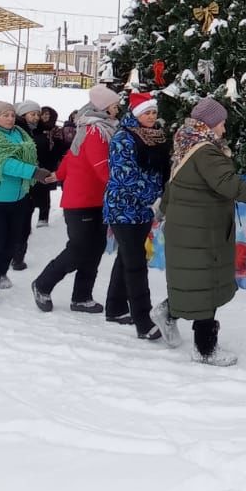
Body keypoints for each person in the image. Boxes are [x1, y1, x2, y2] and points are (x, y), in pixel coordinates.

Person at [151, 98, 246, 365]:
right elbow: (228, 183)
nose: (224, 129)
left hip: (191, 227)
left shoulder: (187, 144)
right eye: (222, 123)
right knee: (206, 286)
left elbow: (173, 185)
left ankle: (168, 312)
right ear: (211, 124)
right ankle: (205, 349)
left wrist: (164, 211)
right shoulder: (205, 151)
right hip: (201, 231)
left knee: (197, 282)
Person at [31, 85, 121, 315]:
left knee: (95, 248)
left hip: (97, 199)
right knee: (79, 248)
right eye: (114, 104)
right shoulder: (94, 132)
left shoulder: (98, 128)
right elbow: (102, 168)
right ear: (104, 106)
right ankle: (42, 284)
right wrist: (124, 188)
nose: (118, 108)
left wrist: (58, 175)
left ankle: (82, 296)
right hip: (81, 200)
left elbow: (72, 157)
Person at [0, 102, 56, 308]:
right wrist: (34, 172)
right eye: (4, 115)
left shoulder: (20, 135)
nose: (10, 118)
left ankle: (1, 273)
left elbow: (32, 154)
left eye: (12, 115)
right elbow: (2, 163)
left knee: (13, 241)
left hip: (17, 198)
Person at [103, 92, 171, 340]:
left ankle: (115, 307)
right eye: (146, 113)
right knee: (136, 263)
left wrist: (160, 197)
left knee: (127, 257)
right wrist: (152, 198)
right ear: (135, 114)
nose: (151, 117)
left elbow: (162, 170)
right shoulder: (123, 138)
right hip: (124, 208)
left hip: (145, 208)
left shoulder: (156, 136)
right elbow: (125, 178)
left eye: (153, 112)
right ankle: (144, 321)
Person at [9, 99, 42, 269]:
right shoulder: (19, 132)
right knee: (19, 225)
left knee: (23, 223)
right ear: (23, 115)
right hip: (18, 182)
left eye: (38, 114)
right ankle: (15, 258)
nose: (36, 117)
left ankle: (17, 257)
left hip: (29, 182)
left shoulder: (35, 130)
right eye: (32, 114)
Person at [33, 106, 69, 227]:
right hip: (34, 162)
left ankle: (43, 217)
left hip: (49, 163)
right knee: (31, 190)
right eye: (42, 114)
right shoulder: (33, 129)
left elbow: (60, 148)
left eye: (48, 115)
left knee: (44, 189)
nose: (45, 117)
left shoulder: (56, 131)